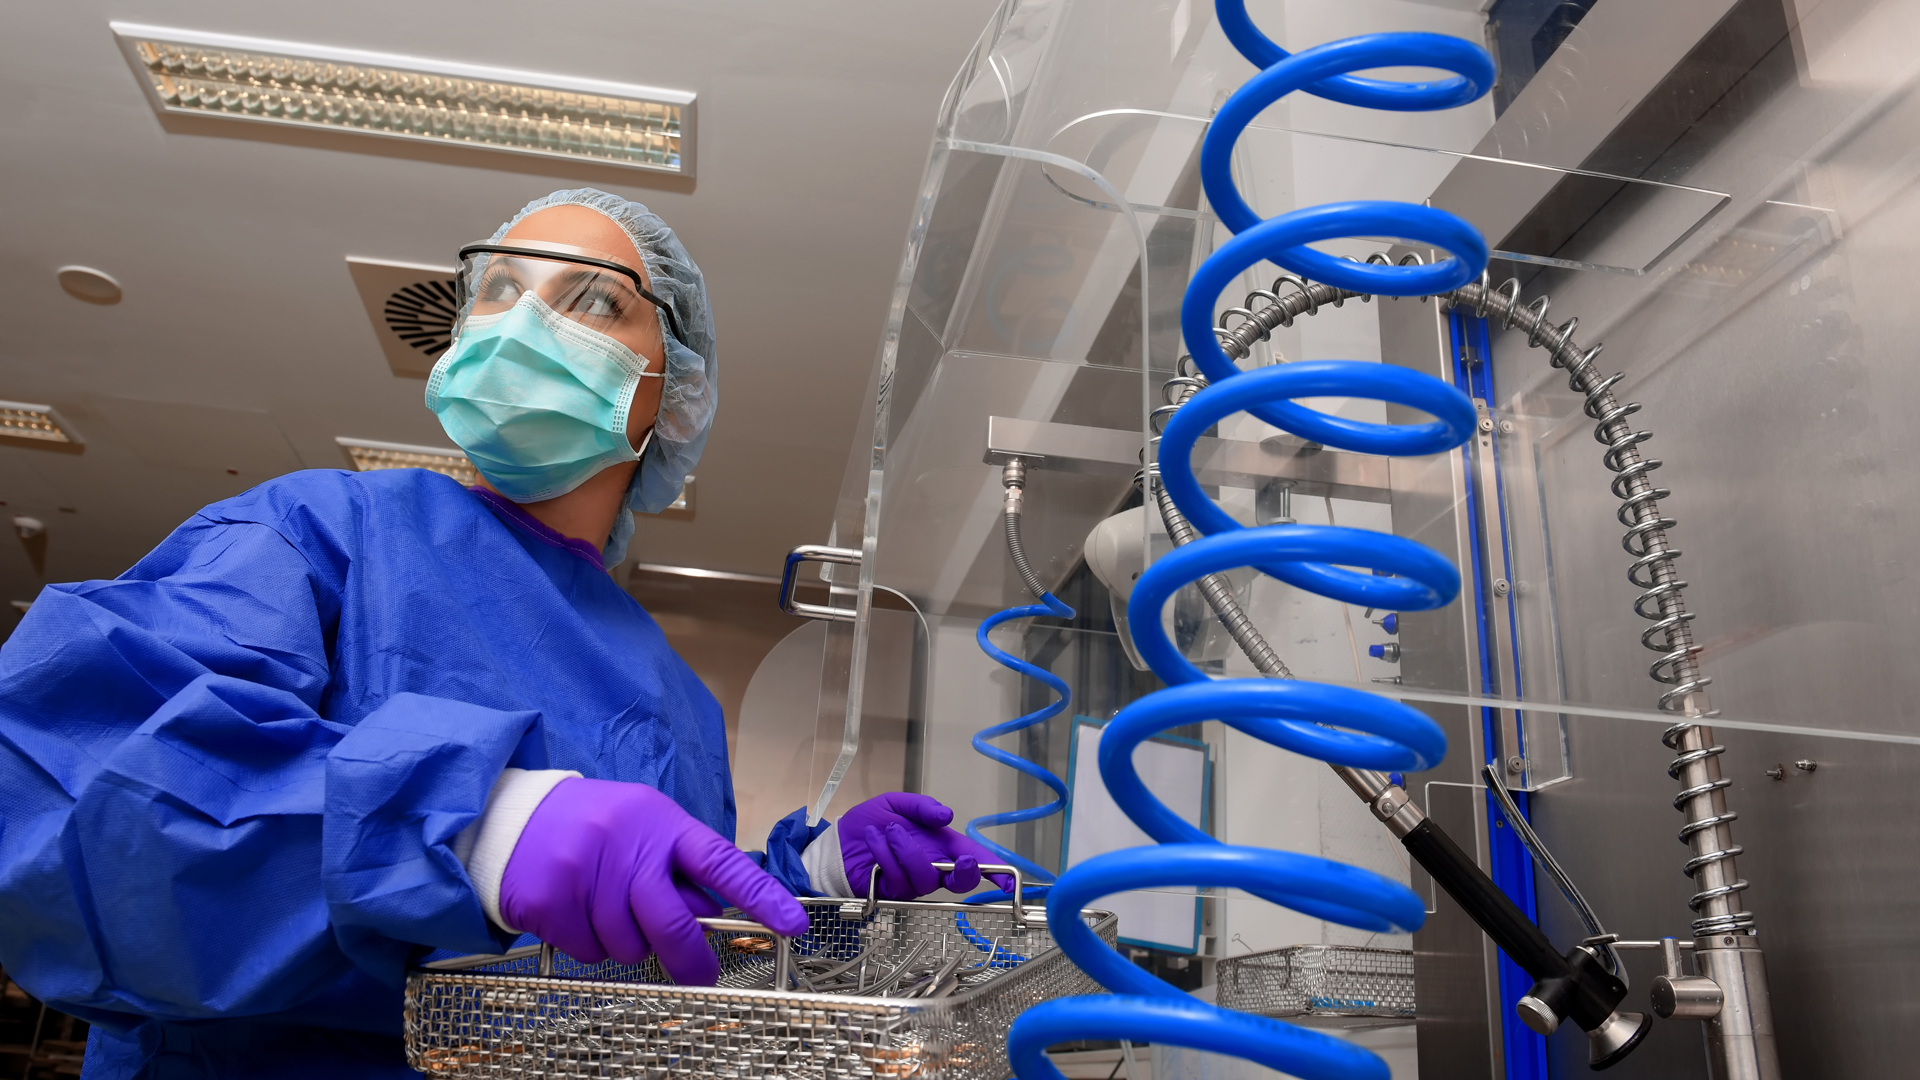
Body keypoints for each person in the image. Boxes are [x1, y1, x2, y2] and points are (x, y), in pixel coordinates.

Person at [0, 188, 1004, 1079]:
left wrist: (816, 890)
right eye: (497, 289)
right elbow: (63, 791)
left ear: (677, 392)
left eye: (593, 299)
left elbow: (665, 943)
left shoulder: (674, 696)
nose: (524, 323)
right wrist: (472, 827)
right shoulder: (318, 533)